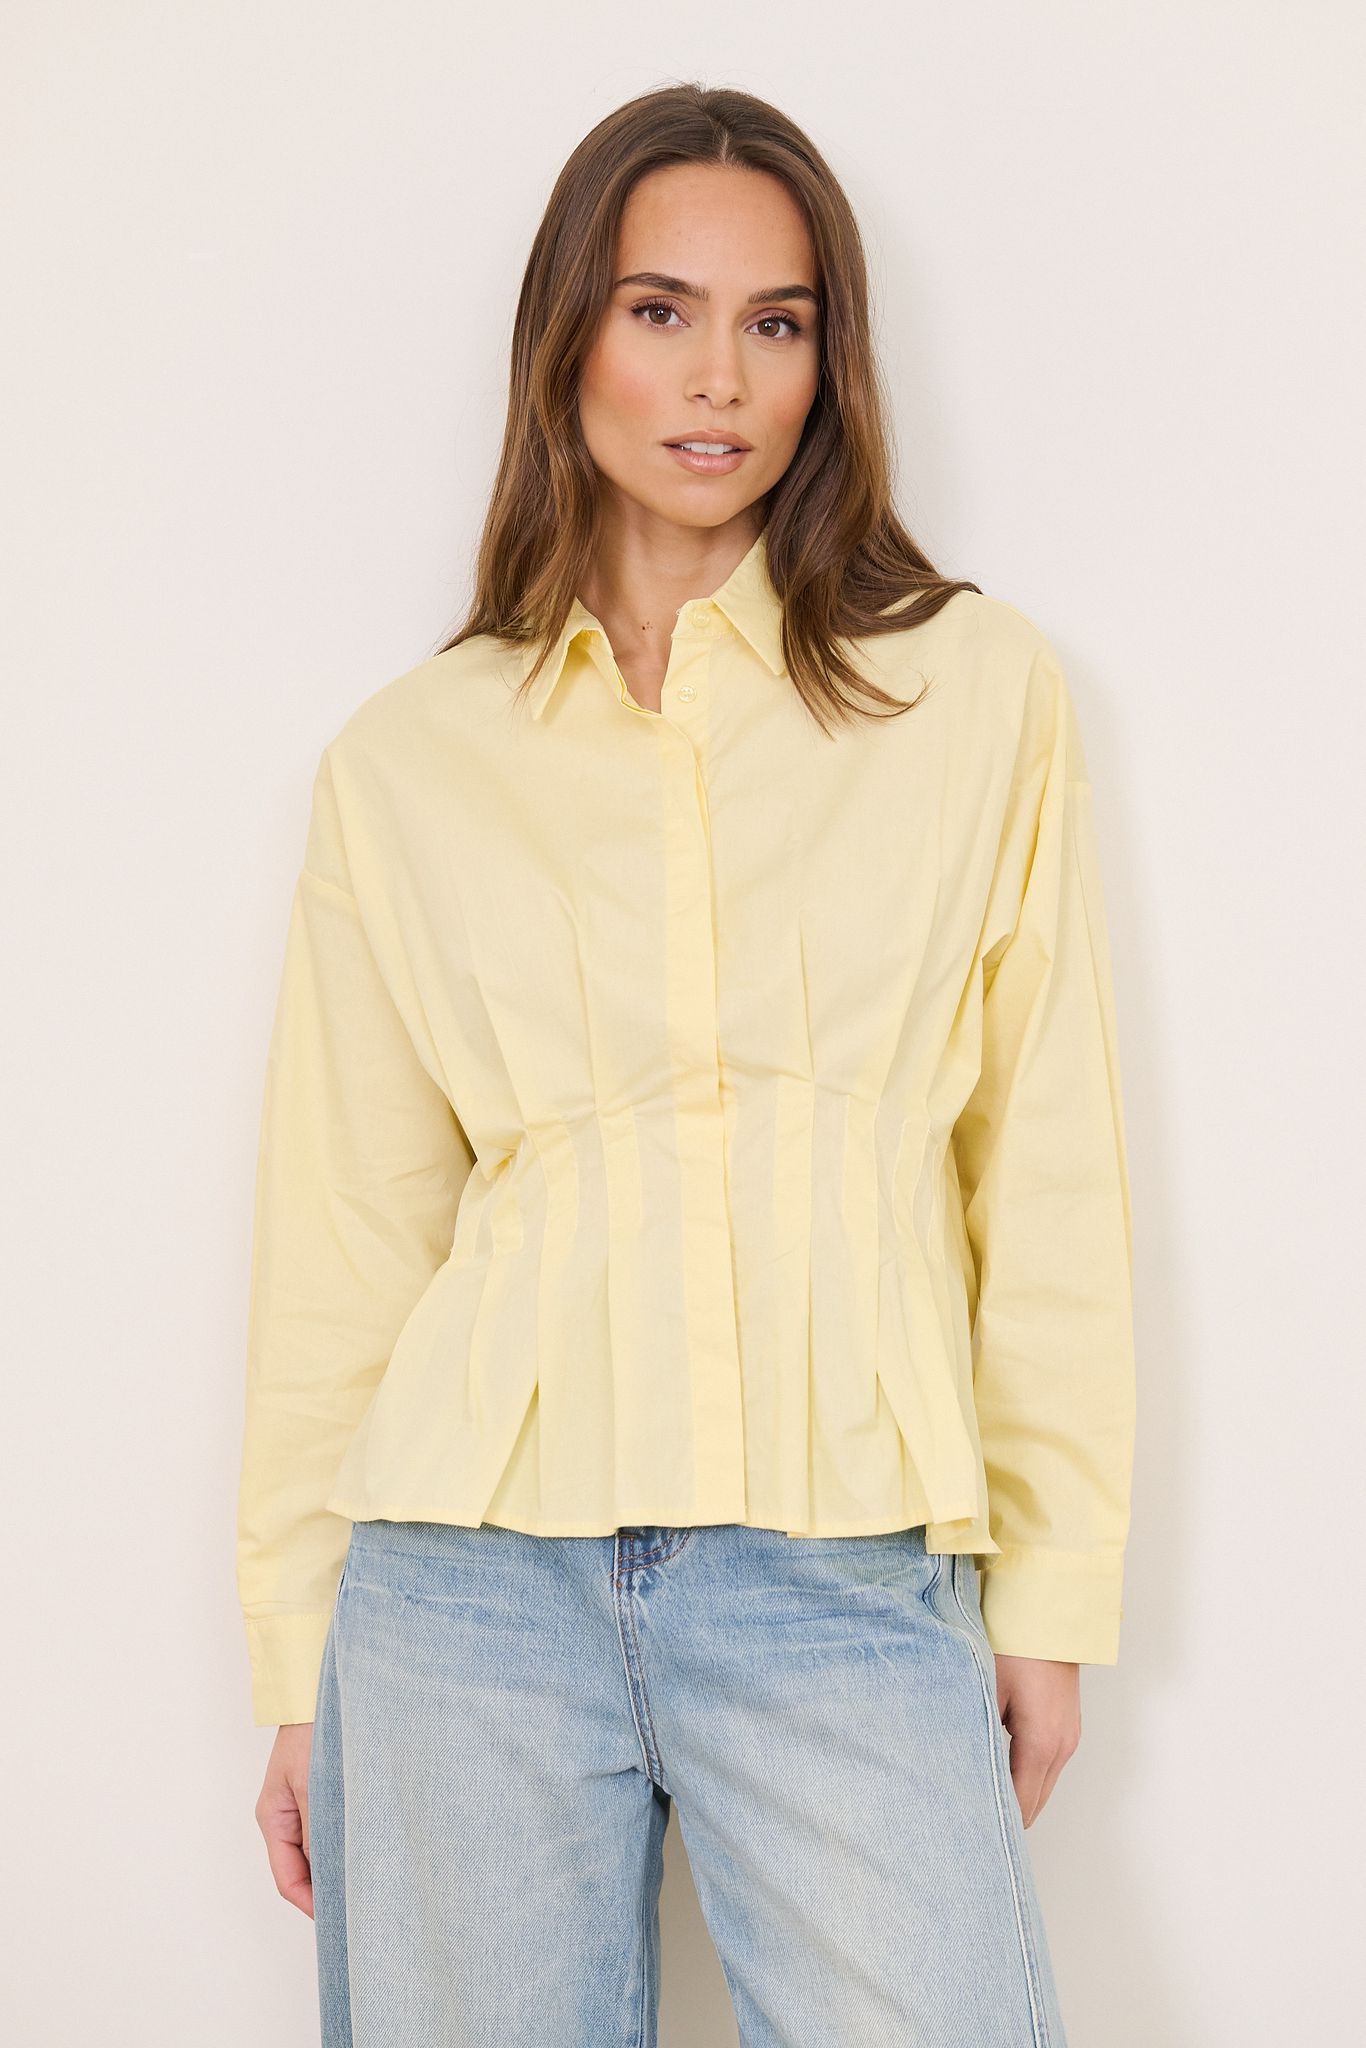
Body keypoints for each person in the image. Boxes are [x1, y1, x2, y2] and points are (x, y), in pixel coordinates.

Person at [237, 81, 1136, 2048]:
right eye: (660, 310)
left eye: (775, 320)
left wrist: (1051, 1594)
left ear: (830, 358)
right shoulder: (406, 760)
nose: (719, 375)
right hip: (462, 1597)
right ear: (568, 332)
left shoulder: (968, 693)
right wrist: (302, 1662)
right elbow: (348, 1239)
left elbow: (1045, 1168)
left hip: (841, 1571)